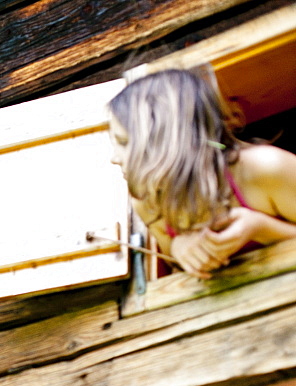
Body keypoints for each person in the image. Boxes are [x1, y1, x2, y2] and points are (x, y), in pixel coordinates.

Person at [107, 68, 296, 278]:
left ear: (167, 142)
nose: (114, 159)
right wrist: (179, 249)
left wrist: (260, 228)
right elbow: (179, 276)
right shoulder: (149, 203)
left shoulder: (266, 168)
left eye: (124, 142)